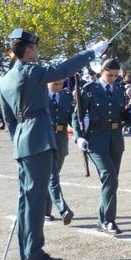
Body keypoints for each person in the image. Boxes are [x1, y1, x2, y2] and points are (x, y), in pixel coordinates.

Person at [0, 28, 107, 260]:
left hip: (22, 143)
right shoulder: (32, 71)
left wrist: (19, 143)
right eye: (36, 48)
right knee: (36, 200)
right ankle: (34, 253)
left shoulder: (5, 80)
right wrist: (92, 52)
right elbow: (62, 70)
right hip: (38, 140)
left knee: (26, 199)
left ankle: (25, 252)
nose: (38, 52)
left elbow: (9, 121)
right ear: (28, 51)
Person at [72, 59, 127, 235]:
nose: (112, 79)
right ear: (101, 71)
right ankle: (108, 220)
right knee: (109, 177)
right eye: (110, 75)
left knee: (112, 181)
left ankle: (102, 219)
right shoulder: (90, 90)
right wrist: (78, 137)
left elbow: (121, 113)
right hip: (96, 140)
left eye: (116, 76)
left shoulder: (119, 89)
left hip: (116, 139)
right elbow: (77, 114)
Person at [44, 79, 74, 225]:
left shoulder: (66, 95)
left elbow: (71, 117)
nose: (58, 87)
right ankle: (63, 209)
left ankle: (45, 211)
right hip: (45, 140)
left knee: (51, 177)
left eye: (61, 84)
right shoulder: (39, 95)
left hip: (61, 140)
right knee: (52, 176)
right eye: (55, 84)